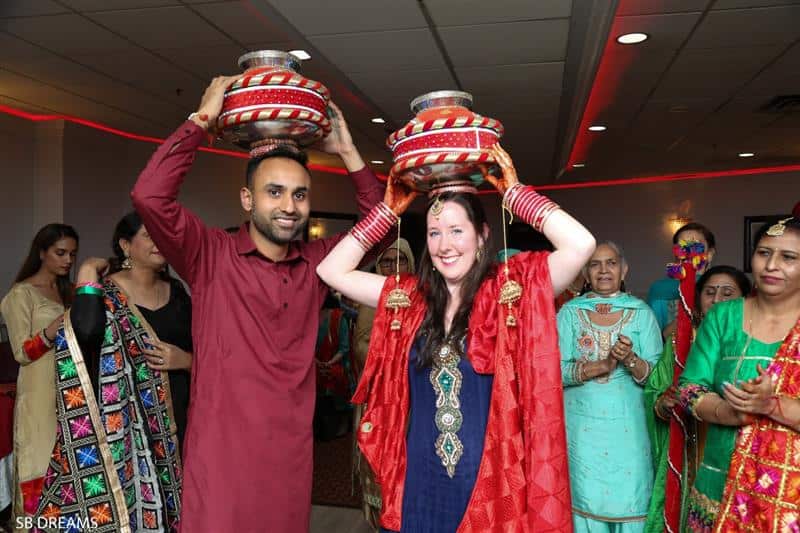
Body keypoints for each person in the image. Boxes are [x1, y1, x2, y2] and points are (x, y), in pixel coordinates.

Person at [129, 76, 387, 532]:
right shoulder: (208, 255)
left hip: (289, 458)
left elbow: (381, 223)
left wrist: (347, 152)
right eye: (274, 192)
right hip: (220, 459)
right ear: (248, 199)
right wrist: (202, 121)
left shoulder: (321, 265)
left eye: (300, 194)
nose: (289, 206)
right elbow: (150, 196)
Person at [317, 144, 596, 531]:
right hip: (421, 477)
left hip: (491, 480)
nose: (444, 245)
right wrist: (387, 213)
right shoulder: (410, 300)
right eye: (434, 233)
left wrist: (515, 194)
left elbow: (581, 245)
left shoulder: (509, 293)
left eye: (456, 231)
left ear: (482, 235)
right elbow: (332, 270)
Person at [32, 222, 187, 532]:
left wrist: (187, 361)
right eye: (148, 234)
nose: (160, 241)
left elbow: (207, 348)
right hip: (122, 422)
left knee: (177, 503)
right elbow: (85, 331)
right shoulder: (107, 292)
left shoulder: (178, 291)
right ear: (125, 245)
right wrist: (88, 269)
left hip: (179, 413)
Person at [679, 216, 800, 532]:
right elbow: (689, 388)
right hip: (718, 479)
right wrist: (727, 412)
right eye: (763, 253)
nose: (771, 265)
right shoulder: (723, 318)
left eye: (788, 257)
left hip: (790, 495)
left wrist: (770, 406)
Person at [558, 241, 663, 532]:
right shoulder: (569, 313)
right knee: (585, 501)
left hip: (629, 432)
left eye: (611, 263)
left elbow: (657, 379)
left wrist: (629, 359)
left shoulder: (641, 313)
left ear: (624, 269)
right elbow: (551, 371)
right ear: (585, 273)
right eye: (595, 264)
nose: (604, 270)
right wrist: (600, 366)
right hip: (582, 432)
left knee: (631, 500)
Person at [643, 265, 751, 532]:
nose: (717, 300)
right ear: (698, 300)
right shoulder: (681, 340)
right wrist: (663, 404)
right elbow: (656, 389)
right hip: (690, 443)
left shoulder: (754, 341)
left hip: (740, 445)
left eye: (728, 293)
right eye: (710, 293)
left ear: (746, 300)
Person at [0, 224, 78, 527]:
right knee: (39, 468)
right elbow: (20, 352)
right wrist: (49, 331)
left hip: (72, 393)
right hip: (39, 397)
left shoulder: (68, 292)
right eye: (60, 253)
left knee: (72, 471)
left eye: (72, 254)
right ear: (42, 252)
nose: (68, 260)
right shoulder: (20, 294)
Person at [351, 239, 415, 528]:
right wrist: (391, 355)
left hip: (413, 396)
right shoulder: (372, 295)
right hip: (380, 394)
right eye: (385, 261)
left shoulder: (419, 294)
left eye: (399, 260)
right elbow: (361, 344)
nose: (392, 267)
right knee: (379, 462)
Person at [647, 223, 716, 336]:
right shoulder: (659, 289)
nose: (688, 252)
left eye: (695, 246)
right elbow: (652, 336)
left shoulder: (721, 285)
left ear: (710, 254)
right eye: (682, 246)